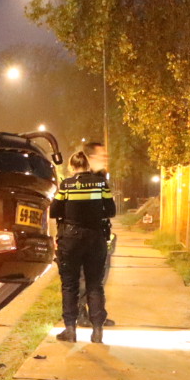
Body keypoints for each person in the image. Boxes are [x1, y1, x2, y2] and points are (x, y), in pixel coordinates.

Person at [52, 150, 115, 343]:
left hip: (71, 238)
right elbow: (111, 210)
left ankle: (70, 330)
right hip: (95, 237)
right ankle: (97, 331)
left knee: (70, 284)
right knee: (95, 284)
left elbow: (55, 211)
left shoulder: (67, 185)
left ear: (72, 166)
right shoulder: (101, 184)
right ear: (87, 165)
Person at [76, 139, 117, 328]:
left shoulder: (100, 178)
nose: (105, 158)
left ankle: (97, 315)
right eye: (101, 155)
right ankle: (81, 315)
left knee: (97, 278)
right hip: (86, 236)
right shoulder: (82, 181)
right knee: (86, 278)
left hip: (98, 234)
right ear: (89, 158)